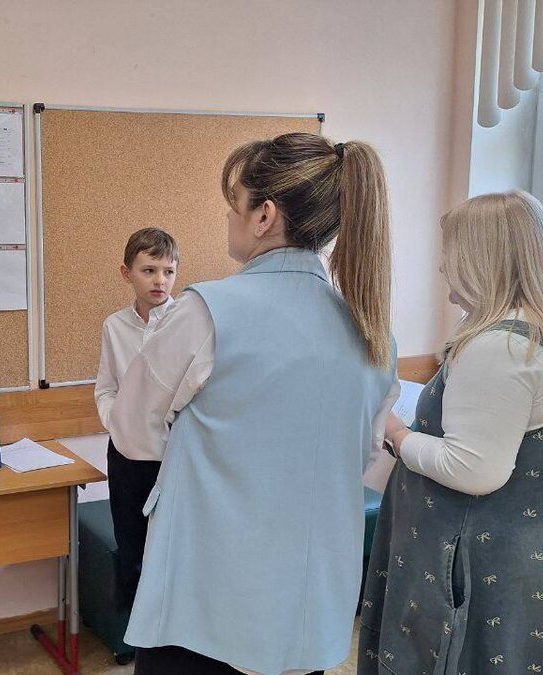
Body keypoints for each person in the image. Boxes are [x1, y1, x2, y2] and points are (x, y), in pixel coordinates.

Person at [109, 133, 397, 675]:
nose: (228, 217)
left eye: (234, 203)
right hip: (310, 604)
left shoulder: (205, 311)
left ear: (263, 215)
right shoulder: (373, 333)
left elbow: (132, 430)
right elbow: (361, 454)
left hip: (207, 598)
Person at [359, 190, 543, 674]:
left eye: (450, 256)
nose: (441, 268)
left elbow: (473, 470)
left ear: (482, 261)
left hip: (484, 568)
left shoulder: (500, 348)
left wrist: (396, 433)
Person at [95, 227, 179, 607]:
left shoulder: (186, 324)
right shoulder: (114, 326)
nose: (160, 280)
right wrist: (118, 422)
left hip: (173, 458)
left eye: (168, 271)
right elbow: (105, 388)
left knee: (172, 550)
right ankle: (133, 631)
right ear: (126, 273)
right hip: (127, 457)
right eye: (149, 270)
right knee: (132, 549)